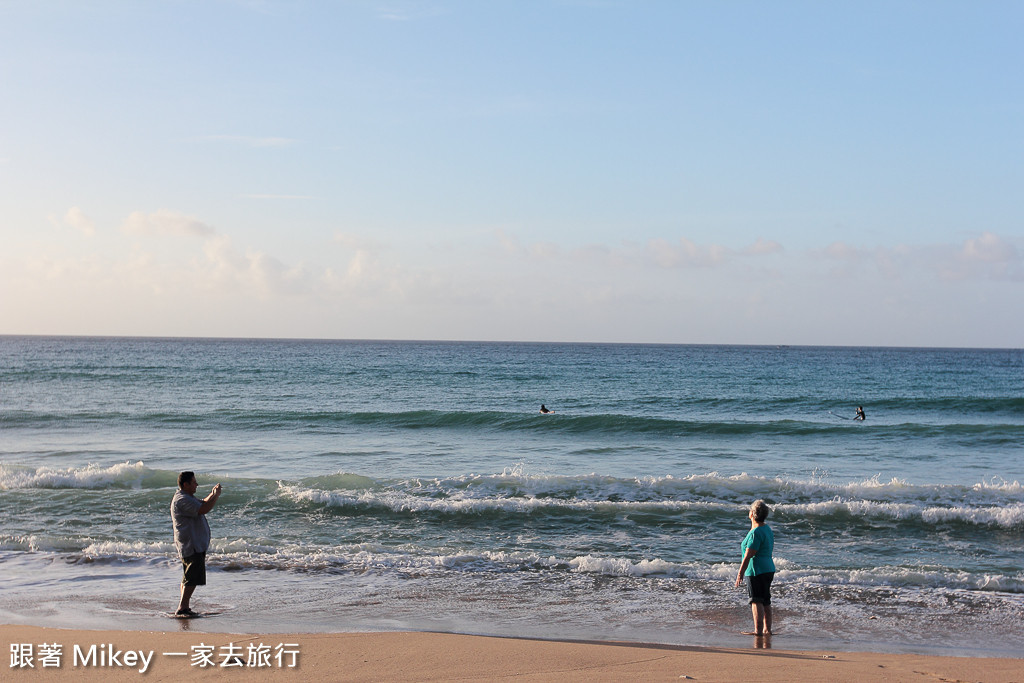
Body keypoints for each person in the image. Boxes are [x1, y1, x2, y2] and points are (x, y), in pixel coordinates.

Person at [171, 471, 222, 616]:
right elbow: (203, 509)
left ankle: (184, 606)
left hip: (193, 543)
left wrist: (212, 494)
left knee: (188, 576)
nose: (196, 485)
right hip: (191, 544)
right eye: (194, 482)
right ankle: (182, 607)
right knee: (192, 577)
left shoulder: (187, 497)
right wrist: (216, 496)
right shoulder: (182, 499)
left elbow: (202, 503)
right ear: (185, 484)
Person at [734, 499, 775, 636]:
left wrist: (740, 573)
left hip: (756, 570)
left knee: (756, 600)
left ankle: (758, 630)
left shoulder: (755, 533)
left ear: (752, 514)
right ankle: (767, 630)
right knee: (765, 600)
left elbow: (748, 555)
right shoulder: (766, 529)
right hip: (768, 568)